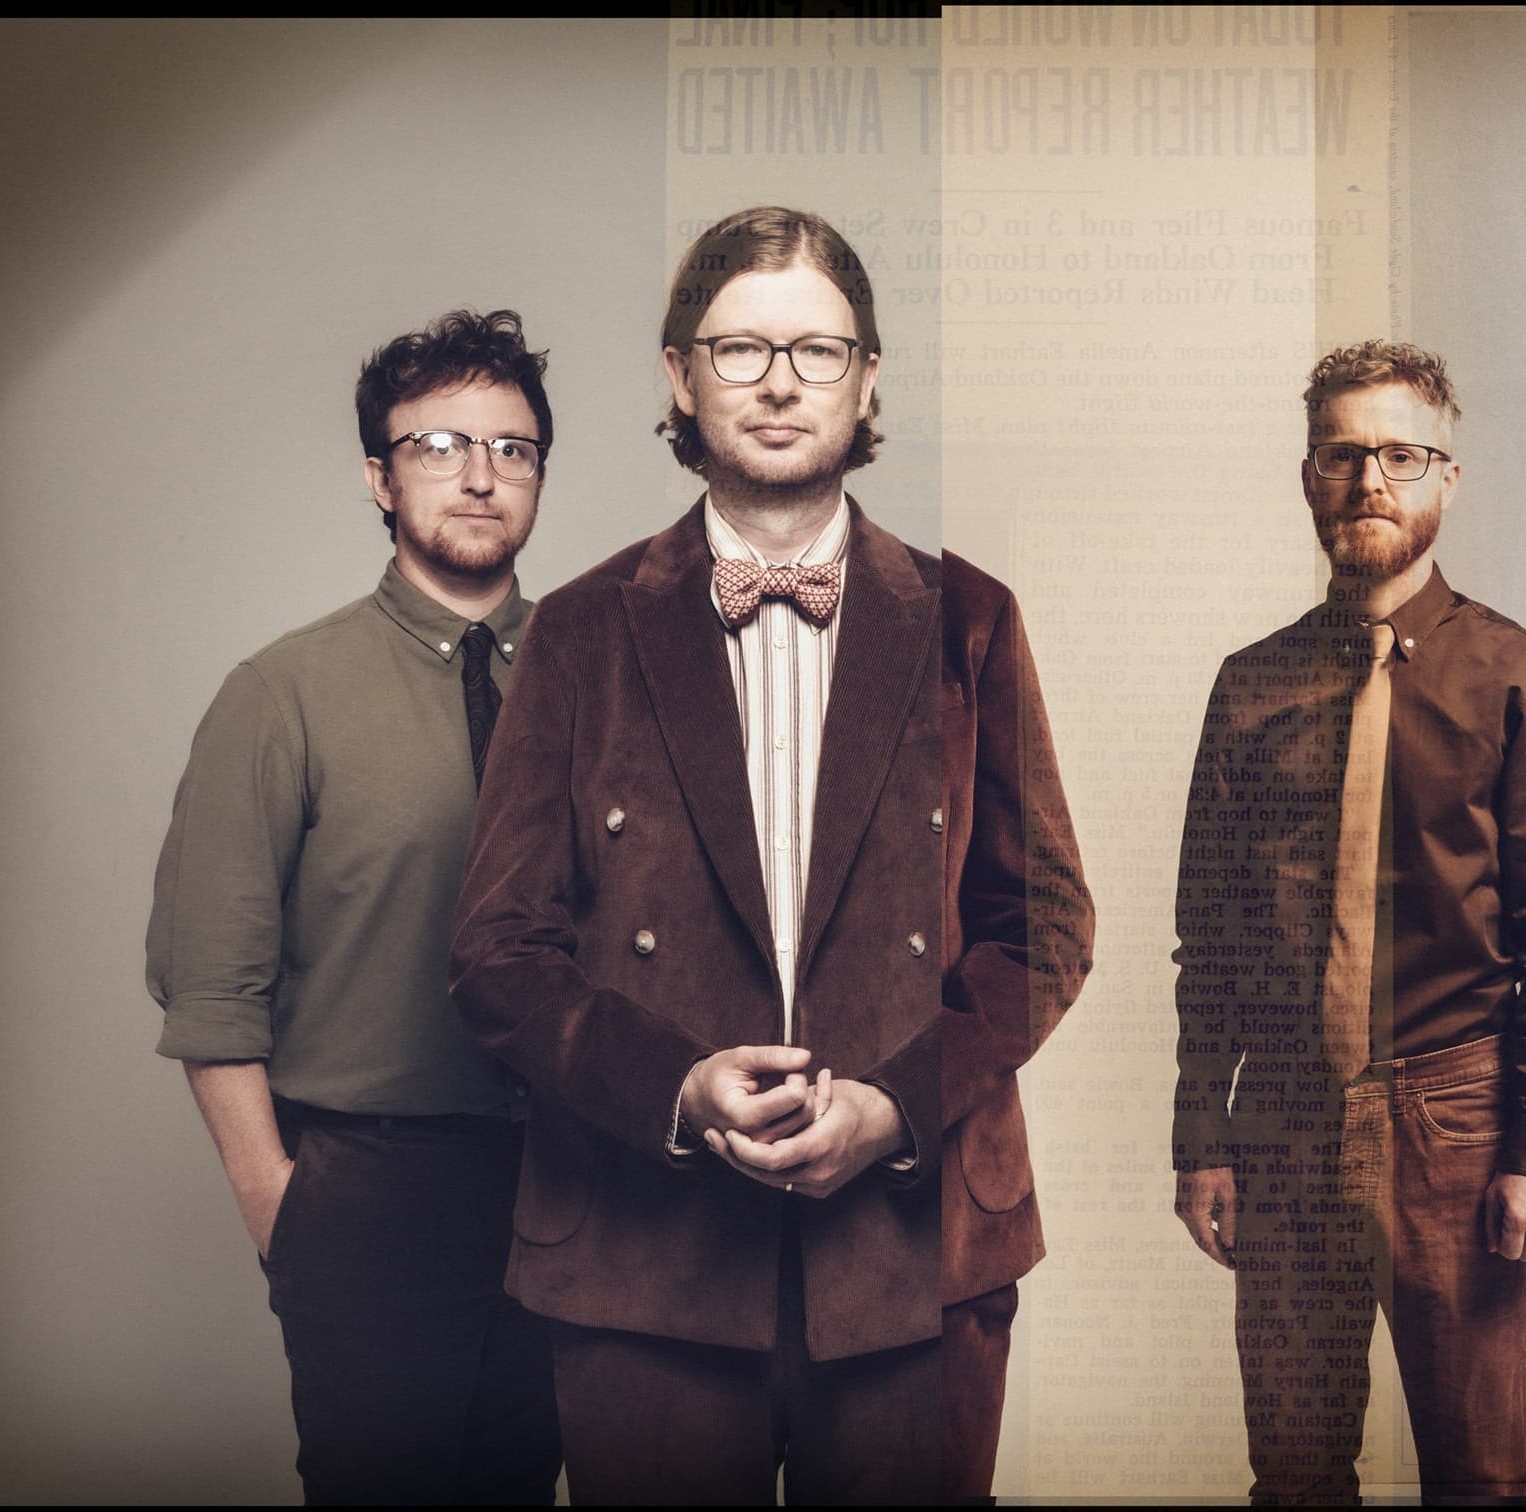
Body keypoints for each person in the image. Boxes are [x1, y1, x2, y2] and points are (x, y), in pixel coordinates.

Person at [450, 205, 1091, 1504]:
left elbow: (1042, 930)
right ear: (679, 378)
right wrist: (674, 1091)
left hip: (916, 1257)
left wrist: (895, 1105)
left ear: (866, 382)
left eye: (816, 347)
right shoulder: (577, 631)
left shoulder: (969, 618)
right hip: (642, 1262)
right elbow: (496, 950)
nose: (782, 381)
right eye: (741, 349)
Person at [1171, 339, 1526, 1504]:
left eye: (1400, 455)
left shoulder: (1521, 676)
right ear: (1309, 476)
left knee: (1475, 1475)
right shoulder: (1250, 683)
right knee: (1297, 1471)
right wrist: (1201, 1139)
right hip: (1277, 1119)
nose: (1370, 480)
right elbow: (1208, 934)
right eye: (1342, 455)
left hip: (1456, 1119)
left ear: (1445, 479)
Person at [145, 309, 562, 1504]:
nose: (481, 476)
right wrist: (283, 1213)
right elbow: (209, 981)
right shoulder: (281, 694)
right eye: (438, 445)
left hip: (572, 1189)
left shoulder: (598, 678)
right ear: (377, 476)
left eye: (513, 447)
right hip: (372, 1194)